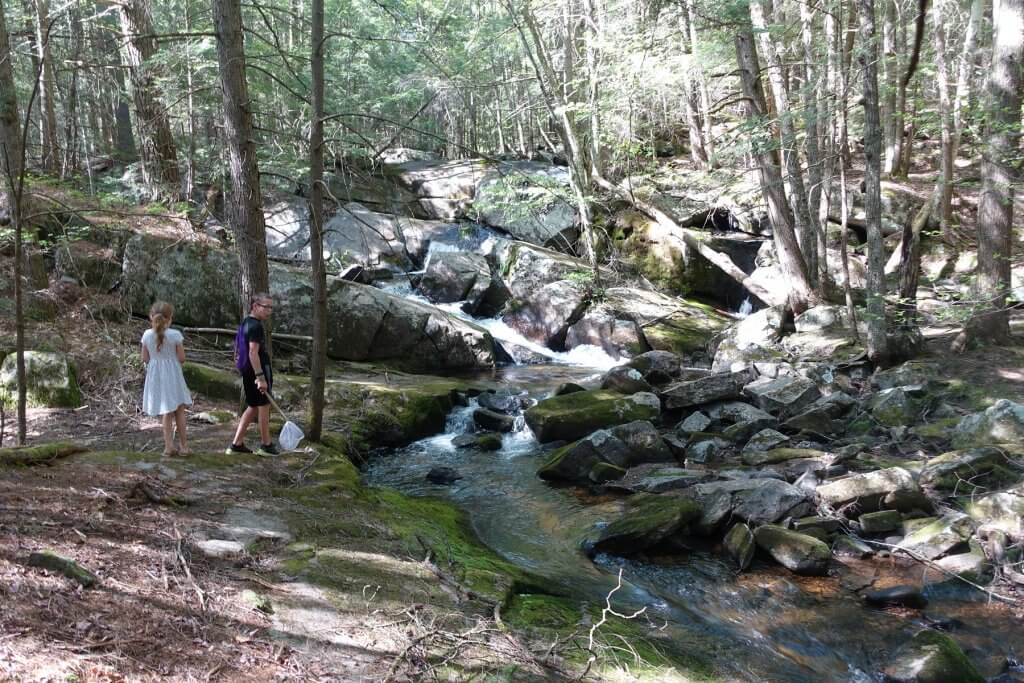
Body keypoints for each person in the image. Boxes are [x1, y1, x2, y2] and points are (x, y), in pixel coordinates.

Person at [226, 293, 278, 456]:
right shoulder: (255, 326)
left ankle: (236, 444)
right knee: (263, 406)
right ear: (255, 306)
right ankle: (266, 445)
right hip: (257, 370)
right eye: (266, 307)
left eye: (271, 307)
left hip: (248, 371)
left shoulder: (246, 322)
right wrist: (261, 377)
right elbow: (252, 352)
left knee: (253, 406)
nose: (269, 311)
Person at [141, 301, 192, 456]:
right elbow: (182, 358)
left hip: (157, 377)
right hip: (174, 375)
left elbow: (145, 357)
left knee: (166, 411)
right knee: (179, 410)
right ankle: (184, 447)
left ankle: (168, 447)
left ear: (151, 316)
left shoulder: (146, 335)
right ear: (170, 318)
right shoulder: (175, 335)